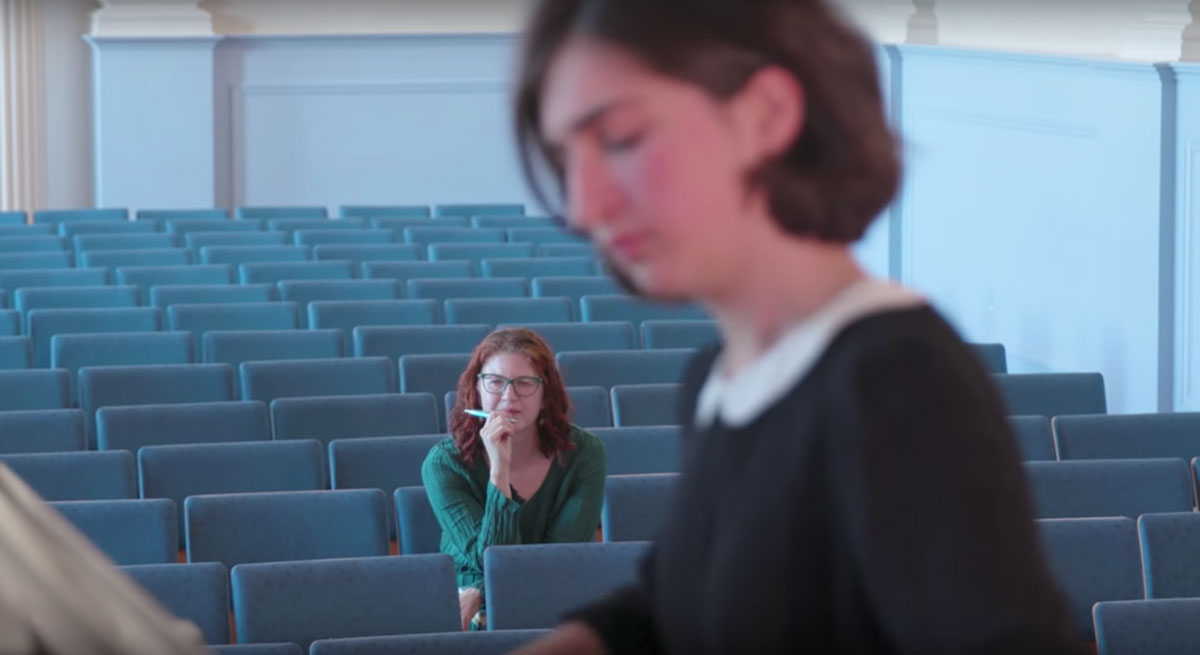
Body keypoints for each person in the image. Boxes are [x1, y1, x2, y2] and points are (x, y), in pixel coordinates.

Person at [509, 0, 1086, 653]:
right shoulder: (718, 379)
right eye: (565, 158)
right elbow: (680, 601)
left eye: (620, 138)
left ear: (768, 116)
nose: (583, 206)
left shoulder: (897, 381)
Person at [422, 327, 607, 631]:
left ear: (546, 392)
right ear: (477, 389)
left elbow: (559, 556)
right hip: (470, 612)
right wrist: (499, 470)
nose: (509, 397)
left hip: (553, 591)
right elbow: (488, 559)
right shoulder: (443, 463)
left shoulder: (585, 454)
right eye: (495, 382)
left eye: (524, 383)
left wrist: (480, 592)